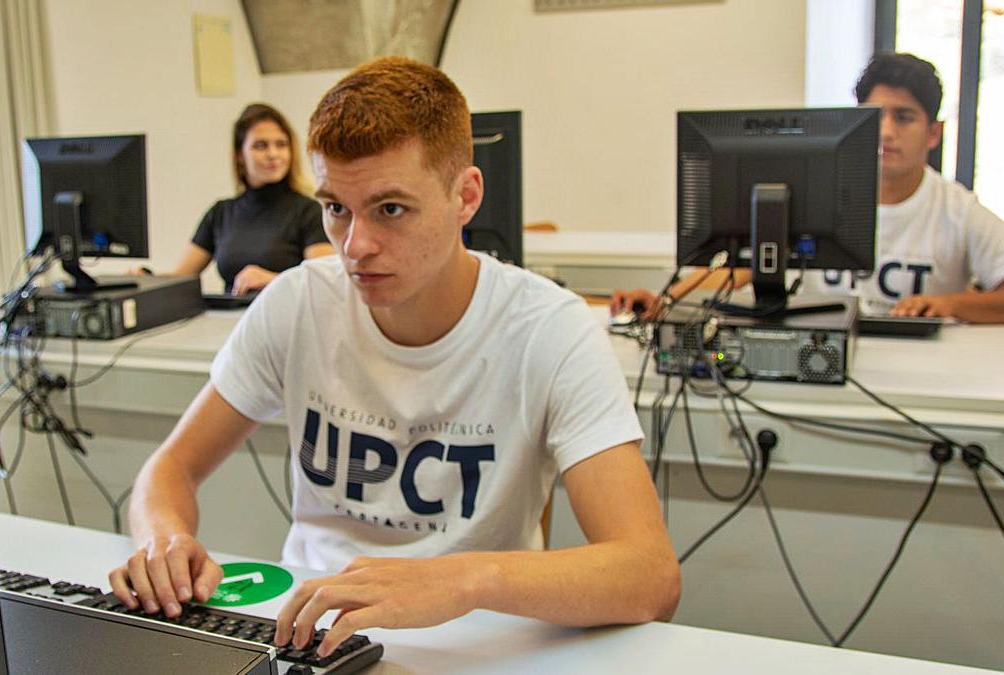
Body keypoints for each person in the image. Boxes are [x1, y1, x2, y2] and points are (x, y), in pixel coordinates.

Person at [109, 57, 680, 658]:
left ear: (466, 196)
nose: (355, 246)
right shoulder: (297, 302)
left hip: (478, 640)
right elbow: (168, 470)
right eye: (335, 208)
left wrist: (463, 578)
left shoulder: (551, 330)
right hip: (307, 636)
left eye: (390, 209)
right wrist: (162, 539)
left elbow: (649, 575)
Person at [613, 53, 1004, 324]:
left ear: (933, 133)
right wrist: (666, 301)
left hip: (916, 373)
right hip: (820, 356)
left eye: (904, 118)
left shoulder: (959, 210)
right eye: (876, 117)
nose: (887, 132)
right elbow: (742, 268)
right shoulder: (815, 192)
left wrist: (948, 303)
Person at [141, 103, 334, 295]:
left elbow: (322, 281)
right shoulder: (220, 213)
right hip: (233, 322)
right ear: (240, 155)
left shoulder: (310, 212)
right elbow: (181, 278)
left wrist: (273, 279)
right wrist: (144, 279)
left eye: (281, 145)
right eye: (261, 145)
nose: (273, 154)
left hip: (287, 321)